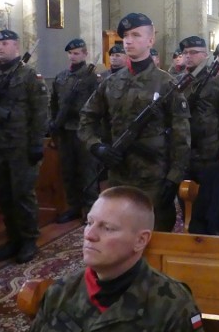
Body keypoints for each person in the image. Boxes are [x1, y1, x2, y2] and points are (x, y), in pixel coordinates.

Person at [29, 186, 205, 332]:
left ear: (140, 240)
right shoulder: (60, 292)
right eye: (89, 223)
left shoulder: (172, 305)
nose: (89, 235)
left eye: (107, 228)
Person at [79, 13, 191, 232]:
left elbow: (182, 136)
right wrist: (97, 146)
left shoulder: (166, 83)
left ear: (150, 40)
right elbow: (86, 118)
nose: (128, 41)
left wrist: (174, 178)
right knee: (118, 233)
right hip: (119, 174)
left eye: (136, 35)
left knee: (153, 236)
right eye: (126, 36)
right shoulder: (111, 82)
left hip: (154, 177)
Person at [0, 29, 48, 263]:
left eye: (5, 43)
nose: (1, 47)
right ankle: (12, 238)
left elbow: (40, 114)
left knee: (22, 195)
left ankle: (28, 239)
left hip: (21, 147)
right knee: (3, 195)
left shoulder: (29, 77)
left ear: (16, 45)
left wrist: (37, 144)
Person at [50, 39, 100, 224]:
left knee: (87, 172)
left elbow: (98, 105)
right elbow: (54, 102)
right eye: (70, 53)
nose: (73, 56)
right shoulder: (61, 77)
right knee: (68, 171)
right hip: (65, 131)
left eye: (77, 53)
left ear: (85, 54)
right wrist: (53, 122)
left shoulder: (92, 78)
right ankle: (73, 207)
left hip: (84, 131)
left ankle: (91, 210)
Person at [179, 36, 219, 182]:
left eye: (193, 52)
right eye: (185, 53)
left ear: (205, 55)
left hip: (208, 152)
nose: (188, 56)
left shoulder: (217, 81)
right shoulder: (178, 80)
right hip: (182, 151)